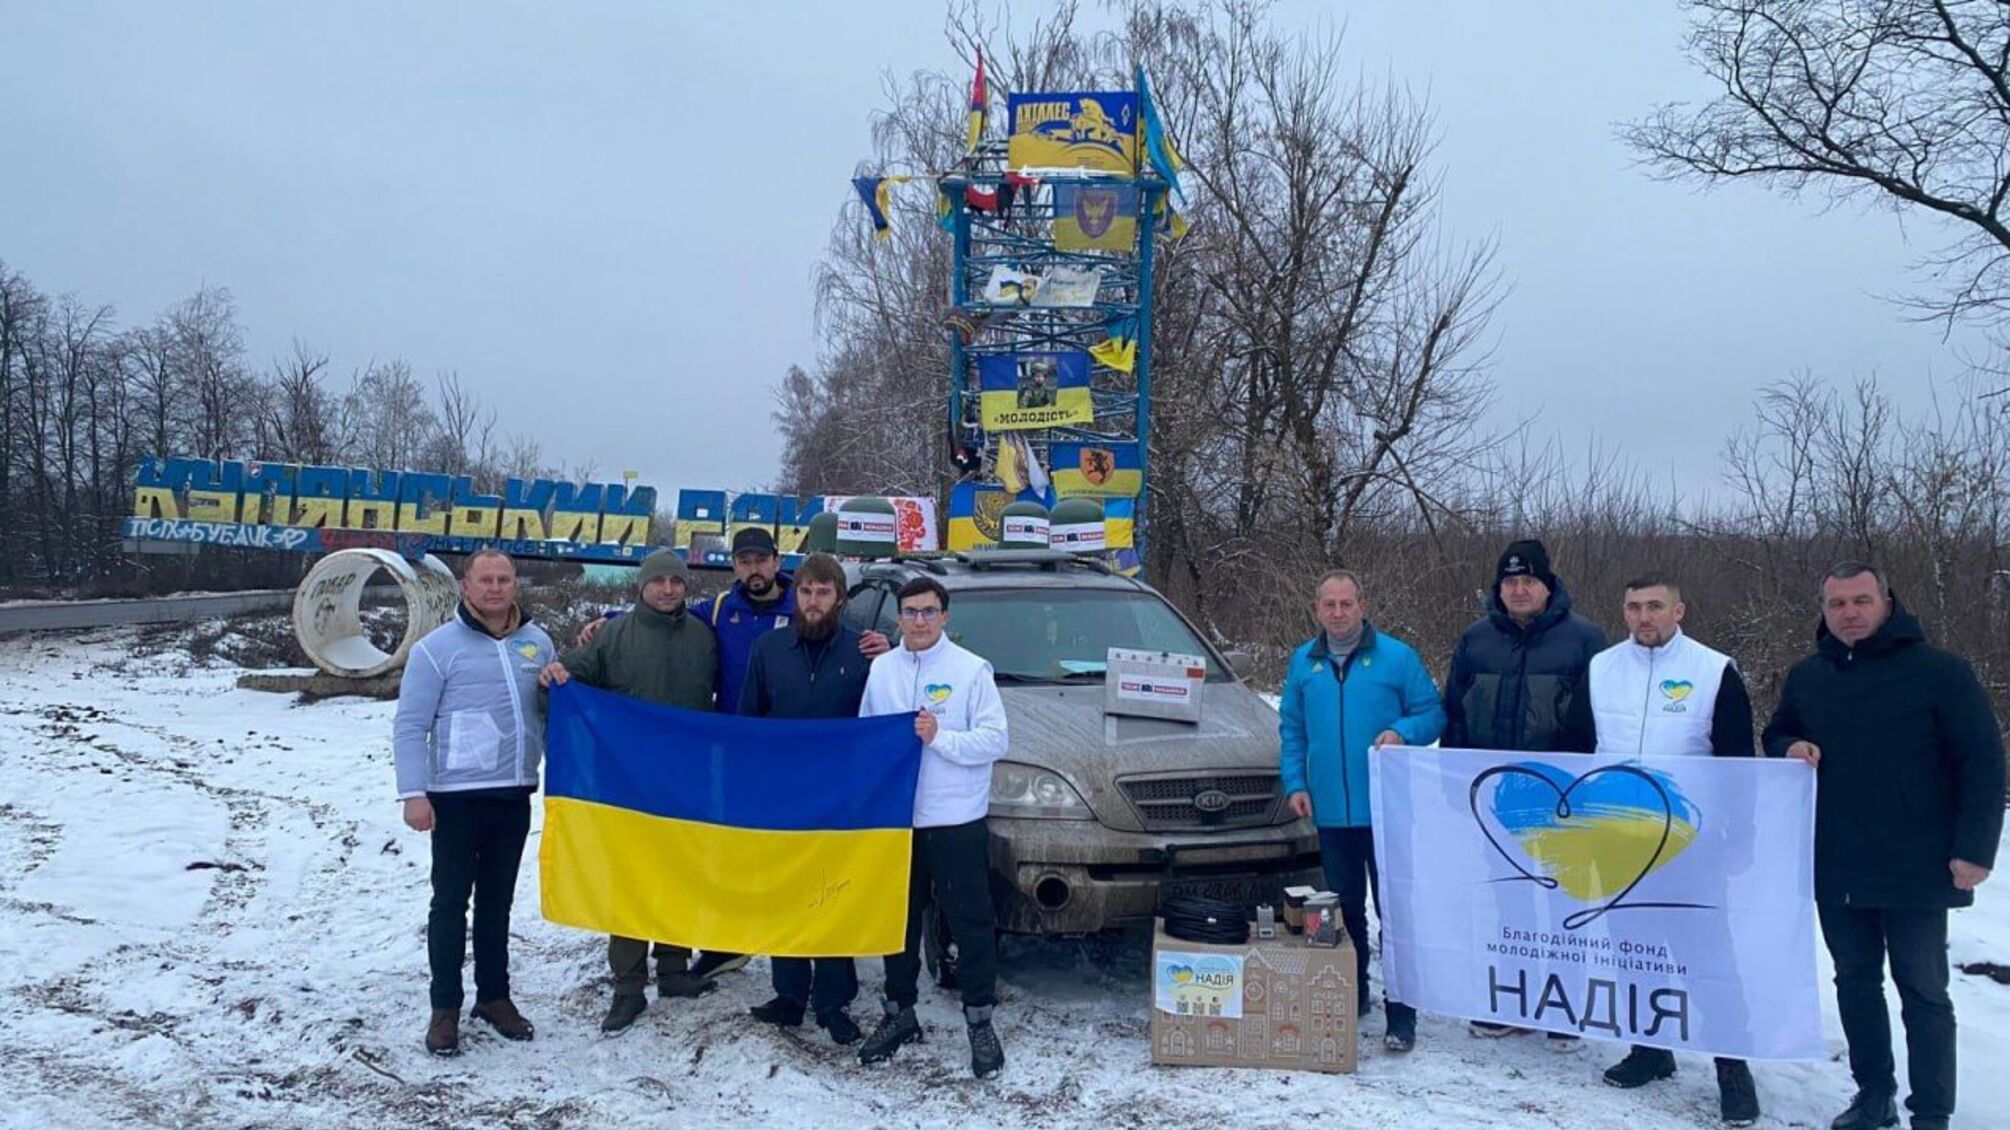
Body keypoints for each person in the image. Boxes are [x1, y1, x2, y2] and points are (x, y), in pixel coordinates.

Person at [1763, 562, 2005, 1130]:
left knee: (1923, 991)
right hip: (1836, 859)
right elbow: (1776, 731)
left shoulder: (1941, 673)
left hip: (1919, 863)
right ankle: (1874, 1095)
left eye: (1861, 601)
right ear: (1824, 611)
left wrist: (1975, 848)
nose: (1850, 612)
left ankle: (1932, 1111)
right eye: (1838, 604)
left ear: (1887, 603)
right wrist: (1790, 745)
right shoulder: (1808, 675)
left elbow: (1984, 763)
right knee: (1854, 982)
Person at [1566, 574, 1760, 1127]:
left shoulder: (1713, 670)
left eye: (1655, 606)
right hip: (1618, 840)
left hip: (1689, 846)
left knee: (1709, 959)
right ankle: (1650, 1049)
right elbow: (1579, 748)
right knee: (1634, 951)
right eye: (1633, 607)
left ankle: (1732, 1065)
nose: (1644, 617)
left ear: (1680, 609)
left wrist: (1739, 836)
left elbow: (1738, 761)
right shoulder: (1602, 669)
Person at [539, 548, 720, 1034]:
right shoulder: (613, 636)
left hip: (686, 782)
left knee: (680, 874)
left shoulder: (704, 638)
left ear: (686, 587)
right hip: (628, 788)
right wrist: (555, 676)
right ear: (642, 586)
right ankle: (628, 985)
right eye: (658, 581)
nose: (667, 589)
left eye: (676, 582)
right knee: (631, 883)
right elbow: (567, 678)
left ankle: (675, 968)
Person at [1442, 537, 1606, 1046]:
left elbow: (1602, 721)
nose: (1519, 589)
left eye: (1528, 580)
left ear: (1547, 584)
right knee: (1511, 903)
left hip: (1562, 802)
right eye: (1510, 581)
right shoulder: (1476, 639)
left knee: (1562, 907)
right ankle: (1515, 999)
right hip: (1496, 800)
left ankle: (1564, 1003)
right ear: (1499, 587)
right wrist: (1453, 781)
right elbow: (1455, 714)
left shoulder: (1584, 640)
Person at [392, 549, 554, 1056]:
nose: (495, 588)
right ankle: (445, 1008)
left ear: (515, 585)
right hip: (454, 798)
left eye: (504, 579)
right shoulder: (437, 650)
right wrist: (413, 793)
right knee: (449, 904)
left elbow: (551, 711)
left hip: (513, 793)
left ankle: (494, 996)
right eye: (485, 579)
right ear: (466, 586)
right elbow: (411, 725)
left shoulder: (537, 642)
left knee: (497, 903)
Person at [1278, 568, 1445, 1054]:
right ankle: (1354, 994)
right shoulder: (1302, 664)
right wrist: (1296, 781)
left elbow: (1432, 712)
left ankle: (1403, 1011)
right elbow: (1292, 730)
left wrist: (1402, 732)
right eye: (1328, 605)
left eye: (1346, 604)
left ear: (1362, 605)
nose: (1337, 613)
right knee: (1344, 907)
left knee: (1395, 913)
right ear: (1317, 610)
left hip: (1388, 810)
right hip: (1331, 811)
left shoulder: (1396, 657)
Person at [854, 576, 1011, 1079]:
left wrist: (940, 737)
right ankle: (900, 1013)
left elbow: (995, 740)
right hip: (899, 823)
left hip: (955, 821)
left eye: (928, 612)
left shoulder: (970, 671)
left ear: (945, 617)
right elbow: (866, 737)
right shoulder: (881, 670)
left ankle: (979, 1020)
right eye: (910, 612)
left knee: (970, 922)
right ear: (897, 618)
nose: (918, 621)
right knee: (897, 924)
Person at [737, 552, 875, 1045]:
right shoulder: (768, 648)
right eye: (806, 591)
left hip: (842, 798)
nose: (813, 601)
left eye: (823, 592)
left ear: (839, 598)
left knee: (833, 894)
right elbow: (750, 720)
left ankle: (834, 999)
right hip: (782, 795)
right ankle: (790, 994)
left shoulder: (867, 651)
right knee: (787, 891)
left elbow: (888, 713)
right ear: (796, 596)